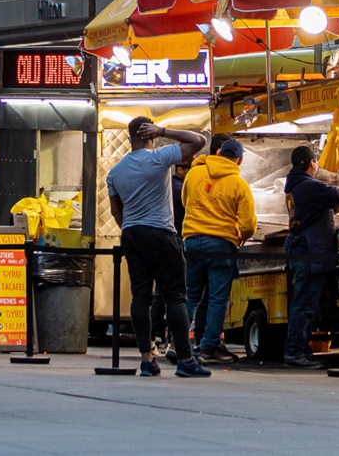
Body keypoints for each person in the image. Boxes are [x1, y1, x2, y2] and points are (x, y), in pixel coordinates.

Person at [107, 116, 210, 378]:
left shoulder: (115, 172)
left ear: (130, 139)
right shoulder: (159, 158)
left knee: (140, 297)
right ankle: (186, 360)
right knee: (175, 296)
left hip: (132, 234)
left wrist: (133, 228)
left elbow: (116, 212)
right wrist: (163, 130)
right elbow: (199, 140)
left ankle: (146, 359)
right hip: (161, 234)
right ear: (150, 136)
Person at [182, 139, 257, 364]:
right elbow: (247, 226)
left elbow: (185, 202)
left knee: (191, 295)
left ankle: (177, 343)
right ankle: (209, 348)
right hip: (221, 246)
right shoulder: (238, 183)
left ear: (218, 153)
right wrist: (240, 236)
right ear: (240, 160)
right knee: (217, 299)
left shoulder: (193, 174)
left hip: (192, 241)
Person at [282, 145, 339, 369]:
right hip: (310, 253)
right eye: (316, 162)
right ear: (310, 163)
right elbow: (338, 195)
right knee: (304, 305)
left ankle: (299, 350)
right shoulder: (308, 186)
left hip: (304, 251)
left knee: (304, 304)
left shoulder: (295, 186)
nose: (317, 166)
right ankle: (295, 352)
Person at [151, 156, 191, 362]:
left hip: (160, 238)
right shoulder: (181, 189)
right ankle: (175, 344)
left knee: (158, 292)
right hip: (175, 241)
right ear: (182, 169)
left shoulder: (167, 186)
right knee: (174, 294)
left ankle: (153, 337)